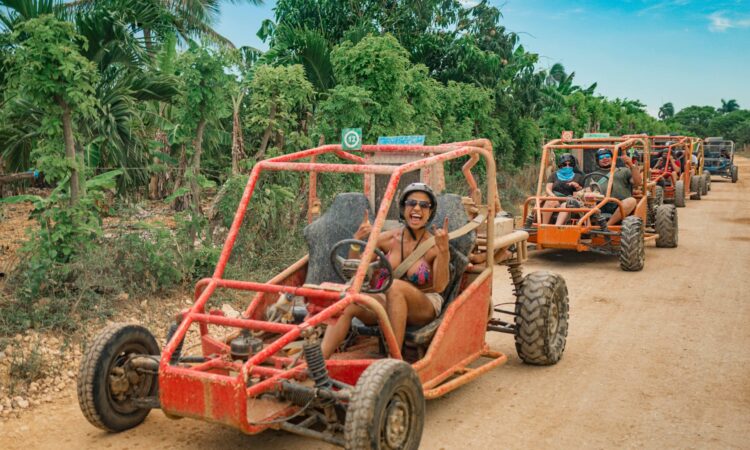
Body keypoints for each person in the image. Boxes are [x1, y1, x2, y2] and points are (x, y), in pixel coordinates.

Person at [321, 183, 450, 358]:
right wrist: (356, 241)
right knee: (349, 301)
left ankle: (394, 360)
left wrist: (444, 252)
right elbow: (357, 271)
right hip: (385, 300)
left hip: (423, 304)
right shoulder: (386, 239)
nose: (417, 208)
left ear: (430, 212)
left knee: (394, 286)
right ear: (404, 208)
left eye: (424, 205)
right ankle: (316, 364)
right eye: (411, 203)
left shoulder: (435, 245)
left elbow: (441, 286)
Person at [590, 148, 642, 226]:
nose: (604, 159)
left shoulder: (624, 171)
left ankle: (607, 226)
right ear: (598, 161)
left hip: (620, 204)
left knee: (631, 201)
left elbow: (637, 183)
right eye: (601, 157)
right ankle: (587, 226)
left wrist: (631, 165)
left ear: (612, 158)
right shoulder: (593, 175)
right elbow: (587, 190)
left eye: (607, 156)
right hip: (599, 204)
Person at [541, 153, 584, 225]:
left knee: (566, 205)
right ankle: (544, 225)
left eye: (570, 164)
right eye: (564, 164)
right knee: (550, 201)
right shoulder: (554, 175)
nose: (567, 166)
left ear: (573, 165)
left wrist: (577, 187)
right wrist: (553, 196)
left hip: (570, 199)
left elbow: (583, 191)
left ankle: (556, 227)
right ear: (560, 165)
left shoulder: (578, 176)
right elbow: (548, 188)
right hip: (555, 198)